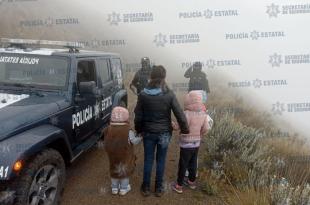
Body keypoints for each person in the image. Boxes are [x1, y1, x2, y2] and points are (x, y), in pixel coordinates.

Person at [134, 65, 189, 197]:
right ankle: (159, 188)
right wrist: (185, 129)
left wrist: (139, 130)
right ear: (164, 77)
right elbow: (180, 114)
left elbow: (138, 116)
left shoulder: (143, 94)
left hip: (148, 132)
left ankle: (146, 187)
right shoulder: (169, 94)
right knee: (161, 160)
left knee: (148, 159)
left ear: (151, 76)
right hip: (164, 133)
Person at [171, 90, 210, 194]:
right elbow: (206, 128)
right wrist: (200, 134)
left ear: (188, 100)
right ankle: (191, 182)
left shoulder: (186, 113)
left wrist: (172, 124)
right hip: (196, 143)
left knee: (183, 164)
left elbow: (178, 127)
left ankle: (179, 185)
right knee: (193, 162)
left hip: (186, 143)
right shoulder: (203, 114)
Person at [105, 106, 142, 196]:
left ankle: (114, 188)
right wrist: (141, 137)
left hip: (113, 155)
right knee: (125, 171)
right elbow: (134, 141)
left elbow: (105, 142)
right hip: (125, 155)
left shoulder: (108, 129)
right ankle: (123, 189)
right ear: (126, 117)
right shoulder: (128, 130)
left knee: (114, 170)